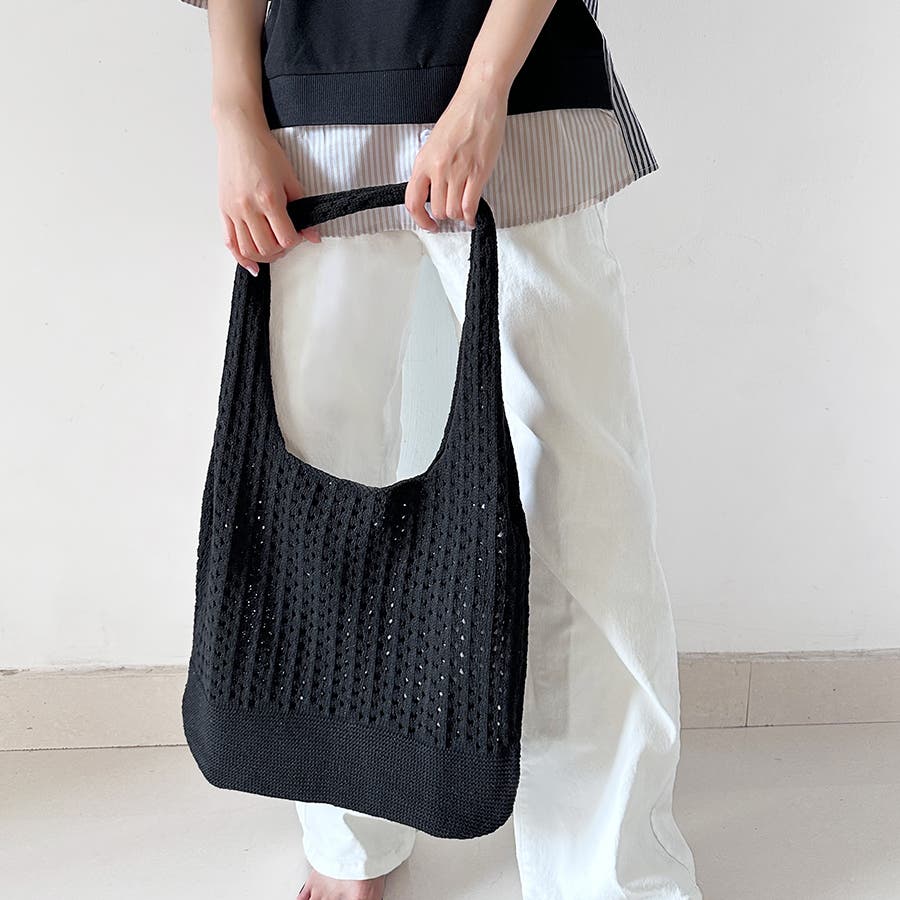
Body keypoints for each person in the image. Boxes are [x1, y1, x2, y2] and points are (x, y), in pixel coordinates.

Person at [178, 1, 704, 899]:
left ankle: (608, 875)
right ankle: (349, 833)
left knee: (582, 507)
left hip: (517, 88)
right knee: (308, 497)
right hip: (310, 96)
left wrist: (484, 86)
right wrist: (233, 112)